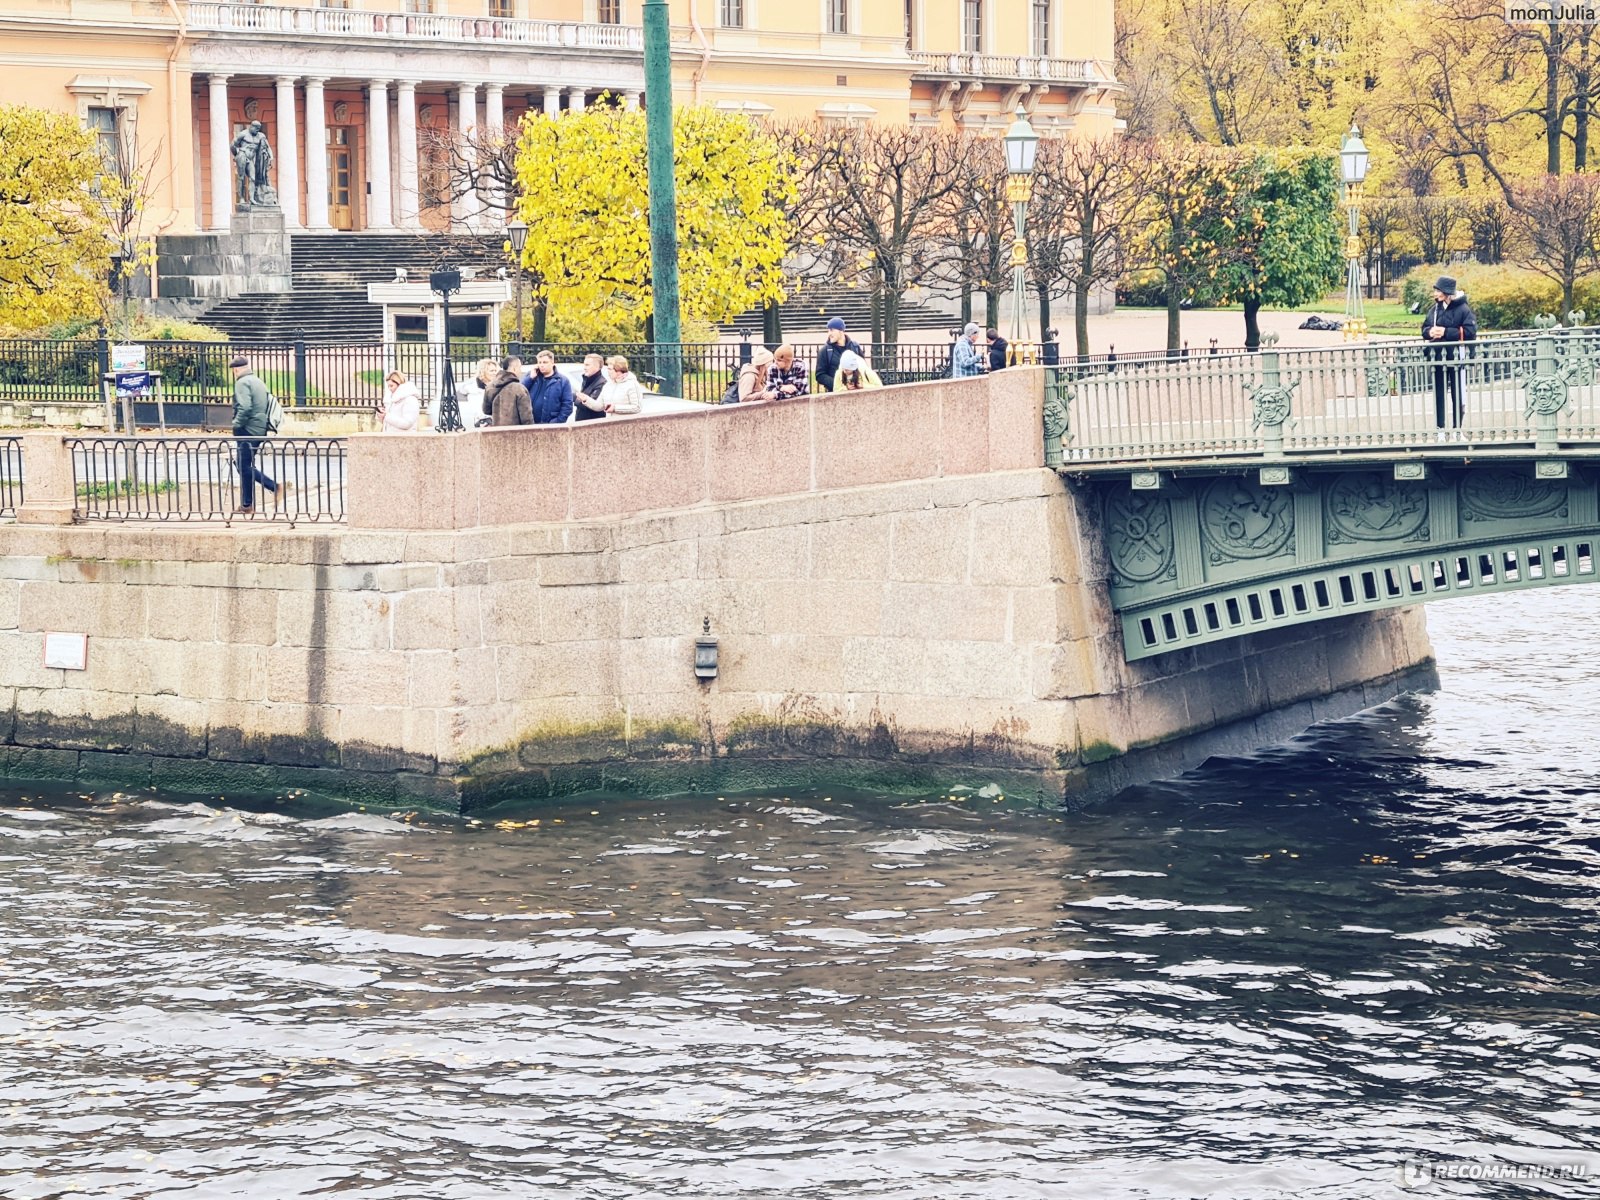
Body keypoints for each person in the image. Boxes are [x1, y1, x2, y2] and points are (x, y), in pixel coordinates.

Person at [229, 355, 283, 514]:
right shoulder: (258, 381)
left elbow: (244, 407)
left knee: (243, 466)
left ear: (236, 370)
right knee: (243, 465)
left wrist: (235, 424)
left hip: (248, 430)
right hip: (259, 429)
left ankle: (274, 487)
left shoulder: (242, 382)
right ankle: (247, 505)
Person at [1423, 275, 1477, 431]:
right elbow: (1424, 329)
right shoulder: (1434, 310)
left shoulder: (1463, 309)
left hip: (1456, 358)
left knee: (1458, 394)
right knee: (1439, 394)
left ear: (1446, 292)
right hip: (1438, 358)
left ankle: (1457, 429)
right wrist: (1430, 332)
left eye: (1438, 291)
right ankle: (1440, 429)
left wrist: (1446, 332)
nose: (1435, 294)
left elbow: (1470, 331)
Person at [524, 350, 575, 424]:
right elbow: (520, 391)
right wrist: (530, 378)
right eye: (539, 362)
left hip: (550, 425)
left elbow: (567, 406)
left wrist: (556, 422)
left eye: (545, 362)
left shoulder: (562, 381)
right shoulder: (532, 376)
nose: (541, 365)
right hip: (531, 423)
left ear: (552, 363)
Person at [814, 317, 862, 393]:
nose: (829, 334)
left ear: (841, 331)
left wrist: (857, 383)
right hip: (834, 395)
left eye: (832, 330)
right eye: (828, 330)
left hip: (856, 392)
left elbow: (863, 369)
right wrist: (841, 385)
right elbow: (820, 375)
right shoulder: (824, 351)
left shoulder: (855, 347)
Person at [484, 356, 533, 426]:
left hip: (496, 432)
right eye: (520, 367)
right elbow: (527, 419)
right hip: (515, 433)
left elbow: (486, 410)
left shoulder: (490, 386)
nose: (520, 371)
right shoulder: (519, 389)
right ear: (514, 369)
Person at [378, 369, 421, 433]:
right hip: (390, 439)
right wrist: (382, 416)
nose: (389, 388)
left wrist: (386, 416)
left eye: (391, 386)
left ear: (399, 384)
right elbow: (389, 423)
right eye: (388, 386)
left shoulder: (410, 400)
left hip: (404, 440)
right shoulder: (391, 399)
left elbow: (407, 423)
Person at [574, 352, 608, 422]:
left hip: (593, 424)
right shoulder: (587, 380)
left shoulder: (601, 383)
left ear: (597, 366)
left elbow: (591, 405)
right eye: (584, 365)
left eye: (587, 365)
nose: (584, 368)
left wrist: (574, 398)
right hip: (582, 422)